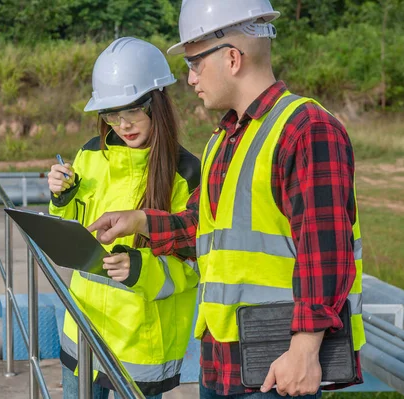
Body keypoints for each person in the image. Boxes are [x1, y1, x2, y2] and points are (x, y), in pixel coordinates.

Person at [87, 1, 366, 398]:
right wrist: (141, 222)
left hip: (276, 368)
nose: (189, 78)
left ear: (232, 58)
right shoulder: (225, 138)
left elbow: (324, 249)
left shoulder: (305, 129)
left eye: (194, 63)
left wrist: (305, 349)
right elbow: (204, 228)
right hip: (221, 362)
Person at [48, 37, 201, 399]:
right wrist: (61, 196)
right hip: (83, 326)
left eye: (132, 110)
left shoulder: (187, 174)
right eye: (111, 114)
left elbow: (195, 266)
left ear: (158, 102)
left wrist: (139, 268)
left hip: (141, 342)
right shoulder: (90, 155)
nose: (122, 124)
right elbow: (72, 224)